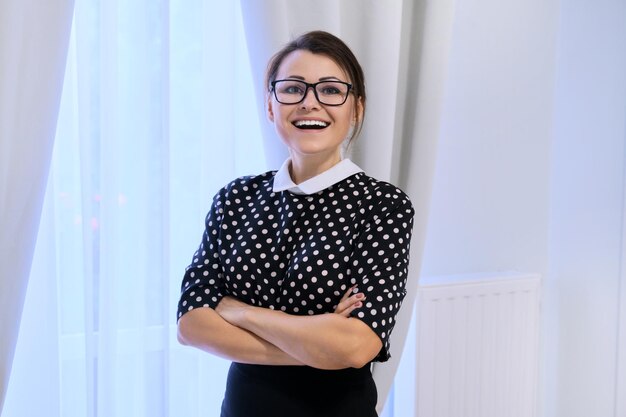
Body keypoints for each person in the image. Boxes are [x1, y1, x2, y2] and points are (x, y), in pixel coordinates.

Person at [177, 30, 415, 417]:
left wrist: (241, 312)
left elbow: (356, 347)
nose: (310, 103)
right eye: (292, 89)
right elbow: (191, 324)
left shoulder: (382, 205)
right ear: (270, 106)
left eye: (330, 90)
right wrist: (320, 341)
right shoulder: (236, 198)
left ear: (356, 108)